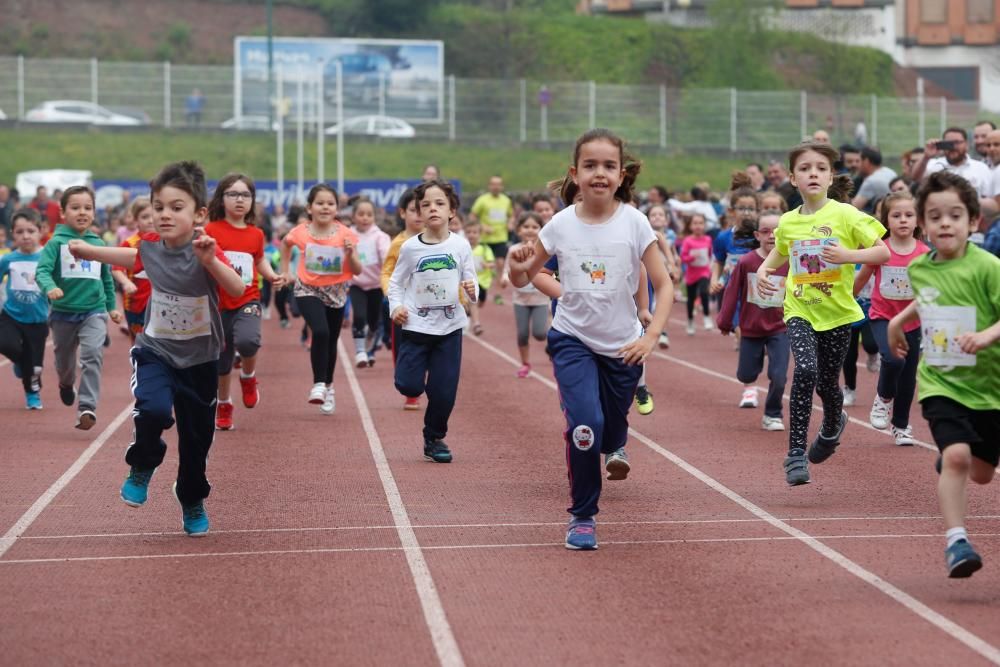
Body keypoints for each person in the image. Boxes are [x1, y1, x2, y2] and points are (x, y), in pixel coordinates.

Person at [507, 128, 673, 551]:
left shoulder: (634, 223)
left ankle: (617, 442)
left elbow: (663, 283)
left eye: (608, 166)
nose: (599, 173)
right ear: (575, 173)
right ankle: (583, 516)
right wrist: (517, 267)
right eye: (590, 165)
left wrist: (650, 335)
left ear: (621, 174)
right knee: (585, 427)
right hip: (573, 338)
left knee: (612, 428)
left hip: (623, 345)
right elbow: (528, 275)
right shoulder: (560, 224)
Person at [68, 161, 244, 537]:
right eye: (159, 206)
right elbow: (130, 258)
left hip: (200, 361)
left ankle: (191, 497)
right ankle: (143, 463)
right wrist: (87, 251)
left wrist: (211, 260)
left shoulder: (205, 249)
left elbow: (235, 289)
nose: (165, 215)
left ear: (198, 214)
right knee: (153, 408)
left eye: (176, 208)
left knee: (196, 444)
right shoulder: (148, 247)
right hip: (156, 351)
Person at [756, 141, 889, 486]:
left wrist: (847, 256)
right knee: (806, 370)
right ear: (792, 178)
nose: (812, 173)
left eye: (820, 168)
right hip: (799, 309)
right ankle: (796, 453)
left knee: (828, 384)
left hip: (838, 314)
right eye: (804, 168)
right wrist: (764, 271)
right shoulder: (787, 221)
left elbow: (883, 253)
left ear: (831, 177)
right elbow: (780, 253)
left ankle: (833, 424)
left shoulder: (845, 215)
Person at [887, 170, 1000, 577]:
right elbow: (928, 301)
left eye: (954, 215)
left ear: (973, 222)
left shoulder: (988, 267)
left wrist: (987, 335)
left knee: (984, 473)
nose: (945, 223)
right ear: (924, 223)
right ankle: (957, 542)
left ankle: (964, 457)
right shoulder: (921, 268)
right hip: (942, 381)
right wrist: (896, 323)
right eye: (935, 216)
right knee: (954, 457)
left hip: (991, 387)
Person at [388, 179, 478, 465]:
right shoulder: (410, 248)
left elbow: (470, 280)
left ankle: (434, 437)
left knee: (444, 392)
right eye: (425, 205)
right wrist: (396, 307)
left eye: (439, 203)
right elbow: (396, 283)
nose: (432, 209)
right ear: (419, 212)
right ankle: (414, 381)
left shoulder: (461, 245)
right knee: (409, 386)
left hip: (450, 329)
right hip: (416, 327)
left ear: (452, 211)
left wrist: (472, 291)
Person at [34, 186, 123, 430]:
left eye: (87, 207)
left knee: (92, 354)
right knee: (64, 362)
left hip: (93, 311)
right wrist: (50, 287)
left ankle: (87, 407)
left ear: (94, 212)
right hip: (63, 313)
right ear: (63, 212)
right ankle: (65, 383)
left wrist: (111, 306)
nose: (82, 212)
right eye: (75, 208)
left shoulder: (97, 244)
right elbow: (41, 271)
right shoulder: (56, 243)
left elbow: (106, 278)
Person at [205, 174, 284, 430]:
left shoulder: (256, 234)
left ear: (252, 201)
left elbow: (259, 260)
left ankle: (248, 376)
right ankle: (224, 403)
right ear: (221, 198)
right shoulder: (210, 231)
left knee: (248, 341)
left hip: (247, 299)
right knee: (222, 360)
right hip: (217, 304)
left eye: (245, 195)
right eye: (233, 194)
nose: (240, 200)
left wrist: (272, 276)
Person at [853, 191, 929, 445]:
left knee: (908, 378)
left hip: (912, 322)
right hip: (882, 317)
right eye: (896, 215)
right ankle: (883, 397)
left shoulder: (924, 253)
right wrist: (842, 300)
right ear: (886, 221)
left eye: (909, 215)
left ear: (918, 220)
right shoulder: (880, 251)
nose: (903, 220)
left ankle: (901, 426)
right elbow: (861, 279)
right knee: (894, 360)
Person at [280, 184, 361, 415]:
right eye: (320, 203)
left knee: (331, 341)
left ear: (337, 208)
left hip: (336, 293)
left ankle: (329, 387)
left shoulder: (346, 234)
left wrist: (350, 254)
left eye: (330, 203)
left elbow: (357, 270)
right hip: (307, 289)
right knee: (321, 332)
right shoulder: (301, 231)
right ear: (309, 207)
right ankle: (317, 384)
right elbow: (286, 245)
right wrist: (286, 271)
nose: (325, 207)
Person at [717, 212, 789, 430]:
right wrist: (725, 321)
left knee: (779, 376)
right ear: (757, 235)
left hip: (780, 327)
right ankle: (751, 371)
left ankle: (772, 414)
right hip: (751, 328)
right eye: (766, 231)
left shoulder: (790, 260)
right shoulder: (747, 261)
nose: (772, 236)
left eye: (777, 231)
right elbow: (731, 291)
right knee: (746, 374)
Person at [381, 189, 426, 410]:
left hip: (430, 305)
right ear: (402, 213)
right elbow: (387, 271)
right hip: (405, 307)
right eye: (413, 210)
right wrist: (391, 296)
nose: (418, 215)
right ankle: (410, 391)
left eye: (422, 209)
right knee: (403, 347)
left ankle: (423, 383)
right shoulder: (399, 243)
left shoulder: (438, 240)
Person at [0, 208, 48, 409]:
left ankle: (33, 395)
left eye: (30, 231)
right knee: (7, 345)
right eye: (20, 232)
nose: (25, 236)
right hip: (11, 315)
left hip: (37, 319)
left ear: (40, 231)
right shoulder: (8, 259)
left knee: (35, 367)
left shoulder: (47, 257)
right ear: (13, 234)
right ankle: (21, 363)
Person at [501, 213, 550, 378]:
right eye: (526, 227)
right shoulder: (514, 249)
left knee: (539, 333)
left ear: (541, 230)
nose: (530, 230)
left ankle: (553, 335)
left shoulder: (543, 250)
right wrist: (503, 278)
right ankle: (525, 363)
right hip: (520, 300)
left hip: (540, 298)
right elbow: (508, 268)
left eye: (535, 227)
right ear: (518, 230)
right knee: (522, 334)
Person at [349, 197, 391, 368]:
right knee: (359, 316)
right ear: (353, 217)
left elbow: (387, 255)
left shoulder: (380, 237)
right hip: (356, 284)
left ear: (374, 217)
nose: (365, 218)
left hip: (376, 285)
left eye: (369, 215)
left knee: (373, 321)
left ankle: (371, 334)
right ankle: (360, 351)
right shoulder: (348, 235)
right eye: (361, 214)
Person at [112, 197, 156, 342]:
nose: (150, 220)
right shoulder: (129, 244)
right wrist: (126, 282)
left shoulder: (167, 241)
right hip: (135, 302)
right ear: (136, 220)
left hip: (161, 301)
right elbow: (116, 268)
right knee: (138, 343)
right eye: (144, 217)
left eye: (153, 215)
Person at [913, 128, 993, 199]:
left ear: (966, 145)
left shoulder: (981, 168)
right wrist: (926, 157)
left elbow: (987, 196)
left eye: (957, 142)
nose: (953, 147)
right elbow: (915, 177)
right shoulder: (934, 165)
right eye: (949, 143)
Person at [470, 176, 514, 303]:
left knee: (500, 265)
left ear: (502, 186)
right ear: (489, 186)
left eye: (498, 184)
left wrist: (510, 223)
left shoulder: (506, 201)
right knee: (485, 268)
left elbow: (511, 216)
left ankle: (498, 295)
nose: (496, 187)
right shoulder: (482, 200)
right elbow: (472, 216)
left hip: (500, 238)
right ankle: (481, 291)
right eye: (493, 184)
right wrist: (482, 226)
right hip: (485, 240)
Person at [680, 213, 713, 334]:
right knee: (691, 299)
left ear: (704, 225)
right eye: (695, 223)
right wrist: (691, 257)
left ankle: (706, 316)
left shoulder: (708, 239)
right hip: (691, 274)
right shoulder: (688, 241)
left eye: (700, 223)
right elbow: (683, 257)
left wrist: (710, 266)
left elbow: (710, 254)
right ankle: (690, 321)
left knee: (704, 291)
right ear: (690, 226)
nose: (698, 226)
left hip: (704, 271)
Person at [464, 220, 492, 336]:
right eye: (469, 232)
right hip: (469, 281)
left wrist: (487, 265)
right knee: (473, 301)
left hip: (483, 281)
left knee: (479, 303)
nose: (472, 235)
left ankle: (469, 313)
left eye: (475, 232)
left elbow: (492, 263)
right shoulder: (463, 248)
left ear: (479, 235)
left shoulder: (484, 249)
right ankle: (476, 324)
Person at [851, 147, 897, 213]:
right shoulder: (890, 171)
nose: (856, 165)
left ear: (866, 161)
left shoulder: (871, 181)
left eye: (858, 161)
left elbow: (854, 207)